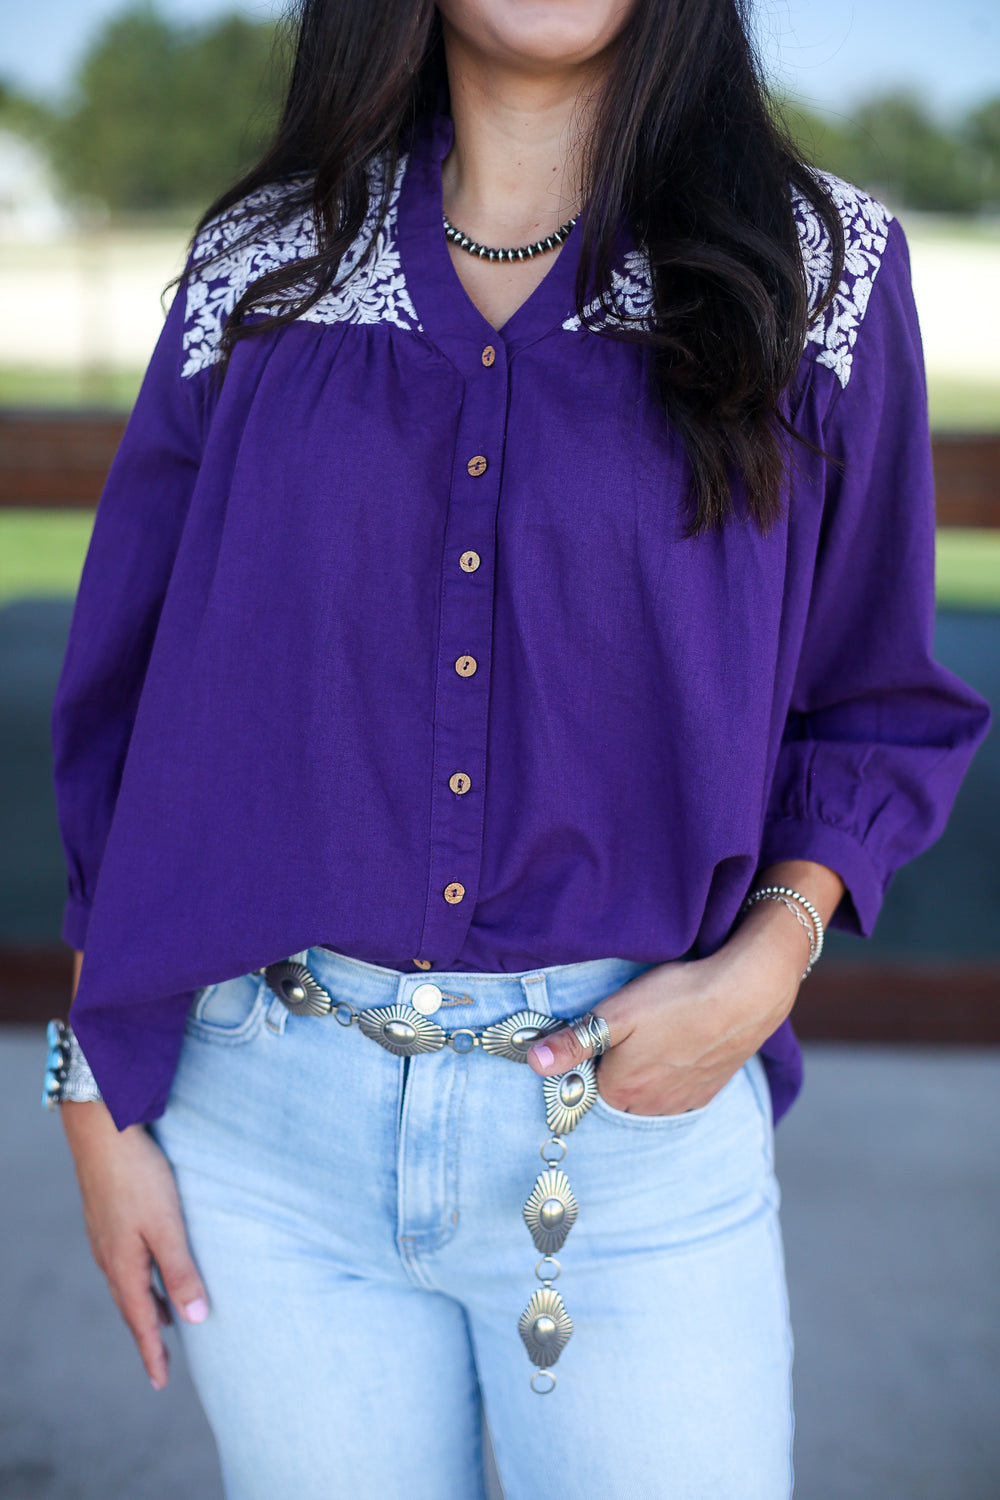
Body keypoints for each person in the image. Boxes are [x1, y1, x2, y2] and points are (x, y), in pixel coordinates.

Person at [44, 2, 990, 1497]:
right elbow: (126, 712)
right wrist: (90, 1095)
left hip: (631, 1122)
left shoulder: (821, 275)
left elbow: (873, 696)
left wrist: (768, 963)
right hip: (265, 1131)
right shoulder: (262, 266)